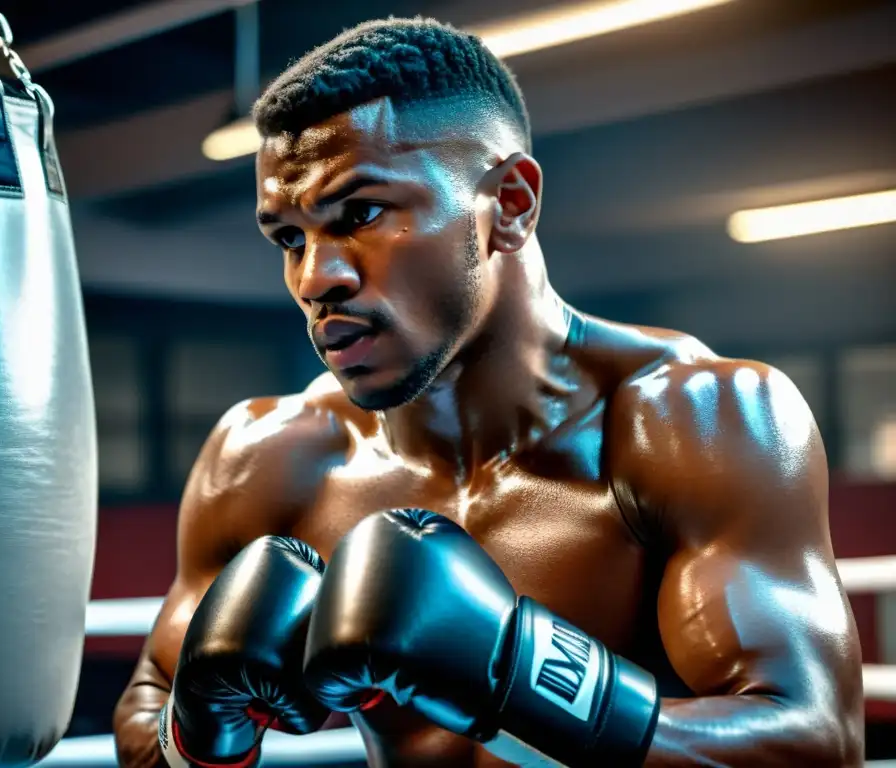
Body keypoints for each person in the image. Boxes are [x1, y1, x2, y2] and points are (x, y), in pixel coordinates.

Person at [113, 16, 864, 768]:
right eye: (289, 237)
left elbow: (815, 740)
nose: (316, 279)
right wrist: (196, 731)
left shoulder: (695, 421)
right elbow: (148, 704)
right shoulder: (268, 458)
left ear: (509, 203)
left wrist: (516, 673)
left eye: (361, 214)